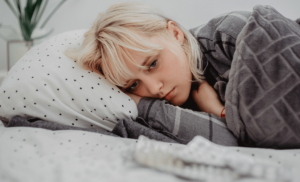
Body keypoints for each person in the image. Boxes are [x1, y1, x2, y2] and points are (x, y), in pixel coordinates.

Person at [65, 2, 251, 120]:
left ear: (175, 33)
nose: (154, 89)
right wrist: (217, 113)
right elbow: (225, 142)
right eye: (134, 85)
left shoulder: (234, 35)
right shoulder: (168, 107)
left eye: (153, 64)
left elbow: (271, 133)